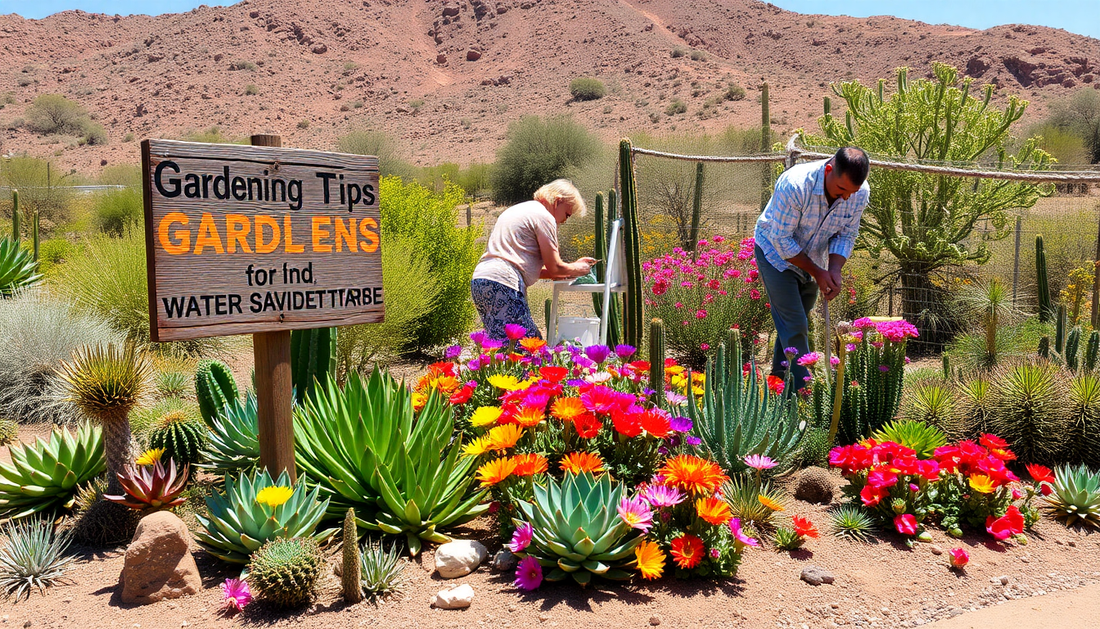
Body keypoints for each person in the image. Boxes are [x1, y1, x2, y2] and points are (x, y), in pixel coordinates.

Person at [754, 146, 870, 387]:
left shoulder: (859, 193)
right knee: (795, 324)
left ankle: (779, 382)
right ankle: (806, 394)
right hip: (774, 254)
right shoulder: (795, 184)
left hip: (814, 258)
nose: (846, 197)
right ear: (829, 170)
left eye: (852, 192)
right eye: (841, 190)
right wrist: (818, 272)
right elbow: (782, 240)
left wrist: (834, 269)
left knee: (795, 323)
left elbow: (846, 234)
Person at [471, 179, 597, 340]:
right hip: (504, 283)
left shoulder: (519, 210)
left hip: (482, 281)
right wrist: (581, 268)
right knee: (528, 346)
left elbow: (524, 266)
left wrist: (564, 271)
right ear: (558, 201)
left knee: (501, 345)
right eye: (567, 214)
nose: (565, 221)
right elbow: (555, 267)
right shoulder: (544, 216)